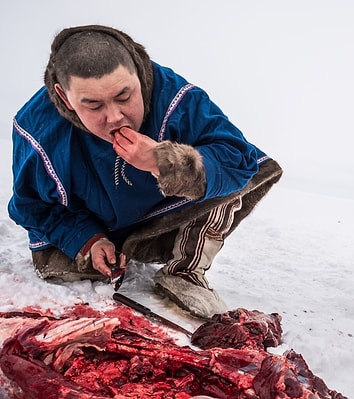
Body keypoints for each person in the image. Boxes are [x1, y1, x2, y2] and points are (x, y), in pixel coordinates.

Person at [8, 25, 283, 318]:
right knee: (66, 271)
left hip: (157, 219)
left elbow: (237, 160)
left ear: (139, 73)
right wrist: (86, 238)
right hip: (88, 221)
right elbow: (30, 206)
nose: (114, 117)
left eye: (124, 96)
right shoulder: (35, 133)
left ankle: (185, 270)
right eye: (93, 105)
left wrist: (163, 161)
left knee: (233, 174)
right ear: (65, 98)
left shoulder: (177, 98)